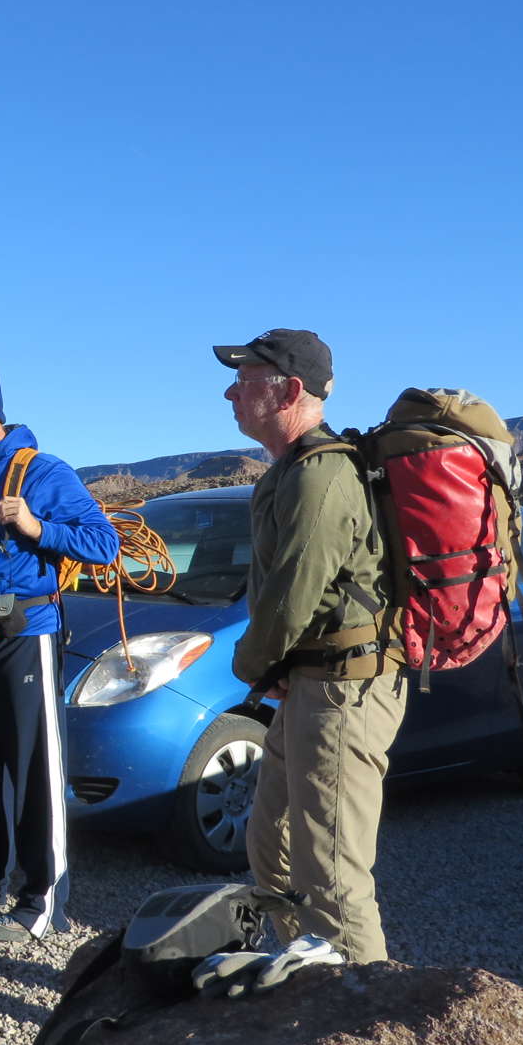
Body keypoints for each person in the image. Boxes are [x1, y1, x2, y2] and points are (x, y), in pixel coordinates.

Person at [216, 328, 406, 963]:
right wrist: (276, 668)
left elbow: (290, 597)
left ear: (289, 390)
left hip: (343, 693)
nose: (231, 393)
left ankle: (362, 1007)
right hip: (311, 685)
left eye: (244, 380)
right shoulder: (291, 471)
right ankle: (308, 980)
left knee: (332, 877)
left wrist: (251, 665)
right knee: (271, 847)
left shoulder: (320, 476)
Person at [0, 356, 119, 944]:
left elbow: (104, 544)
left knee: (35, 772)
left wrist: (37, 528)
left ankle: (42, 902)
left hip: (24, 637)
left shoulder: (40, 470)